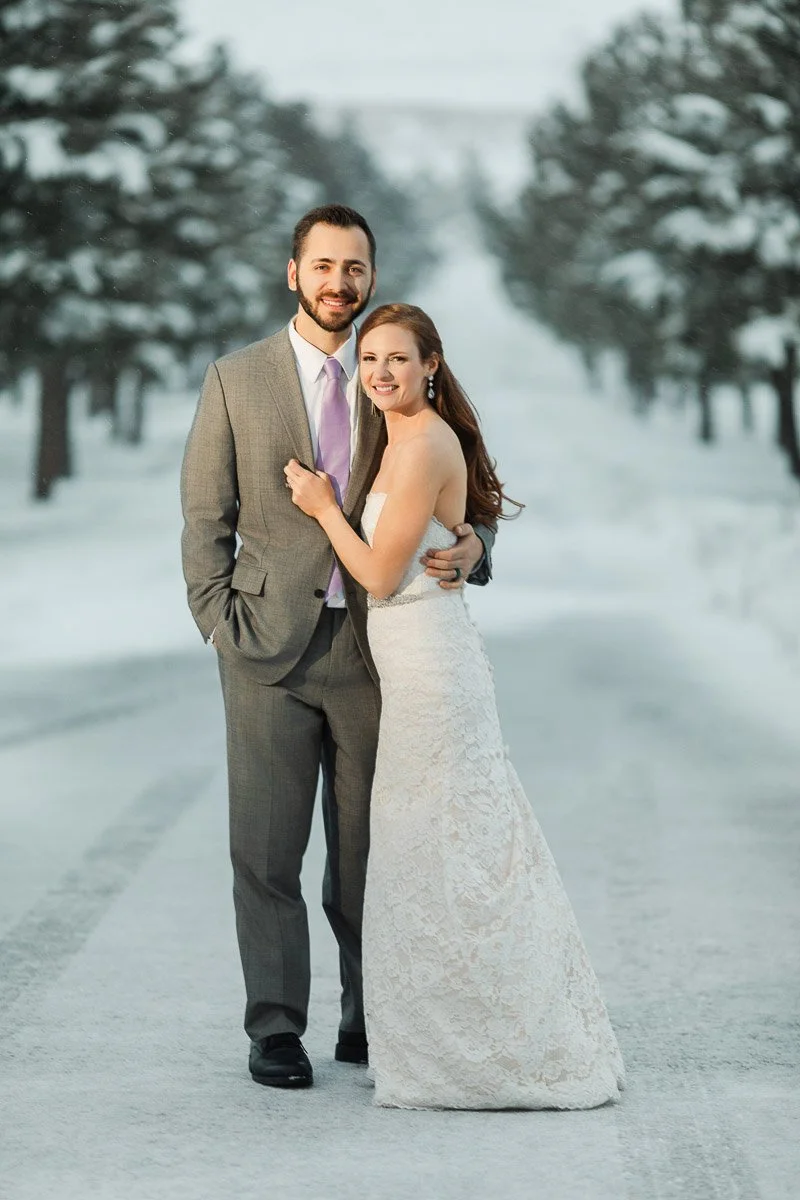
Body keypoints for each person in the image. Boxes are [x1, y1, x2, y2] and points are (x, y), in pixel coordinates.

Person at [180, 207, 494, 1090]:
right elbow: (205, 518)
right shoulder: (235, 380)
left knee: (366, 852)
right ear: (293, 274)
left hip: (373, 649)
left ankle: (368, 1015)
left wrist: (475, 549)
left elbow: (462, 492)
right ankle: (276, 1028)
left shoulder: (388, 374)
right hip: (266, 654)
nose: (338, 282)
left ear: (370, 277)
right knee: (267, 853)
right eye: (323, 265)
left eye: (354, 267)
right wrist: (219, 622)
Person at [284, 303, 625, 1109]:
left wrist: (324, 505)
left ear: (431, 362)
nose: (380, 373)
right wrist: (470, 534)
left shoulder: (423, 439)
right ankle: (435, 1032)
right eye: (369, 359)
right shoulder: (400, 434)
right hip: (410, 664)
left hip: (431, 669)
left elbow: (375, 573)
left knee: (450, 854)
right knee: (431, 854)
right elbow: (452, 520)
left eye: (398, 358)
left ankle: (484, 1045)